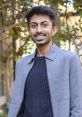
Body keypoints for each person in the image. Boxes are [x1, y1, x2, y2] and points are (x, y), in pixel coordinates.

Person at [8, 5, 82, 117]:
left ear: (54, 29)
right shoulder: (21, 64)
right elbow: (17, 105)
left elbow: (78, 107)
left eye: (44, 25)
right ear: (29, 30)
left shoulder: (69, 60)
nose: (38, 30)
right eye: (34, 26)